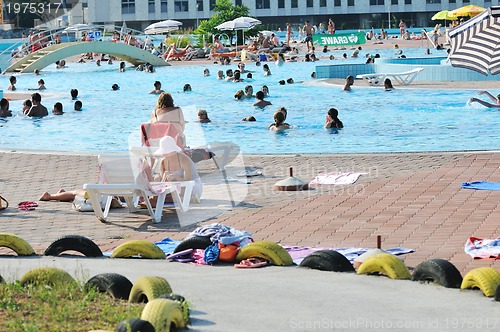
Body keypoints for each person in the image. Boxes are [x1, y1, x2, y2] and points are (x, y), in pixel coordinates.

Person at [154, 136, 203, 202]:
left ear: (174, 151)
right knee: (160, 188)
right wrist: (159, 178)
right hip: (175, 187)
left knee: (176, 190)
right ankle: (182, 199)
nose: (165, 154)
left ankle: (186, 198)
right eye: (164, 152)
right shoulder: (163, 162)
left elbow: (188, 181)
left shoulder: (184, 159)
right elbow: (164, 182)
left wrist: (176, 178)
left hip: (191, 185)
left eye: (167, 152)